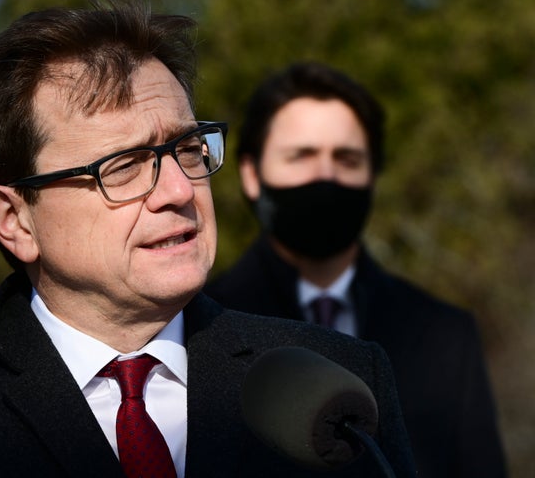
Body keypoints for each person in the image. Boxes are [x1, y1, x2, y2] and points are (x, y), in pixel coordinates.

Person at [0, 0, 416, 477]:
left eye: (185, 148)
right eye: (122, 167)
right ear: (14, 220)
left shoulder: (340, 390)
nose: (180, 190)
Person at [205, 61, 508, 478]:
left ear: (372, 176)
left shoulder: (445, 335)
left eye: (347, 158)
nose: (326, 176)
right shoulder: (196, 326)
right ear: (252, 175)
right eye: (302, 156)